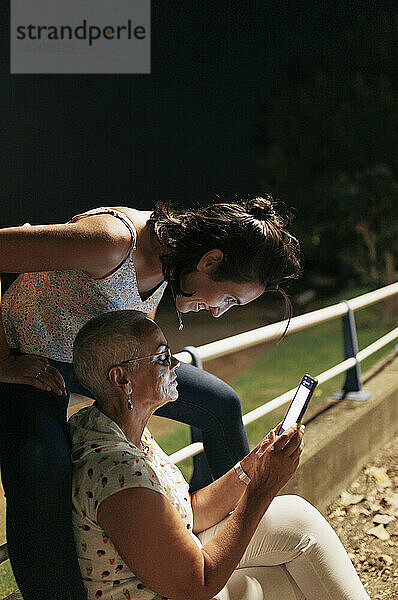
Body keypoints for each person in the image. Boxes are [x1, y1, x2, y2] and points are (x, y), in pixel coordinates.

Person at [0, 195, 301, 599]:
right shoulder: (110, 240)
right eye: (227, 299)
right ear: (210, 261)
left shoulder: (172, 260)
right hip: (30, 356)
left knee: (220, 403)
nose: (218, 312)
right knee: (43, 465)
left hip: (95, 361)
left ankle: (192, 542)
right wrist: (2, 360)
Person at [69, 309, 370, 600]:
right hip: (178, 589)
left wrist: (251, 466)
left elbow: (187, 512)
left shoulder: (111, 427)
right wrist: (263, 488)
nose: (175, 364)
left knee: (296, 523)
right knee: (301, 582)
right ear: (122, 379)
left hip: (170, 579)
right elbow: (196, 585)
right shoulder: (119, 474)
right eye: (162, 357)